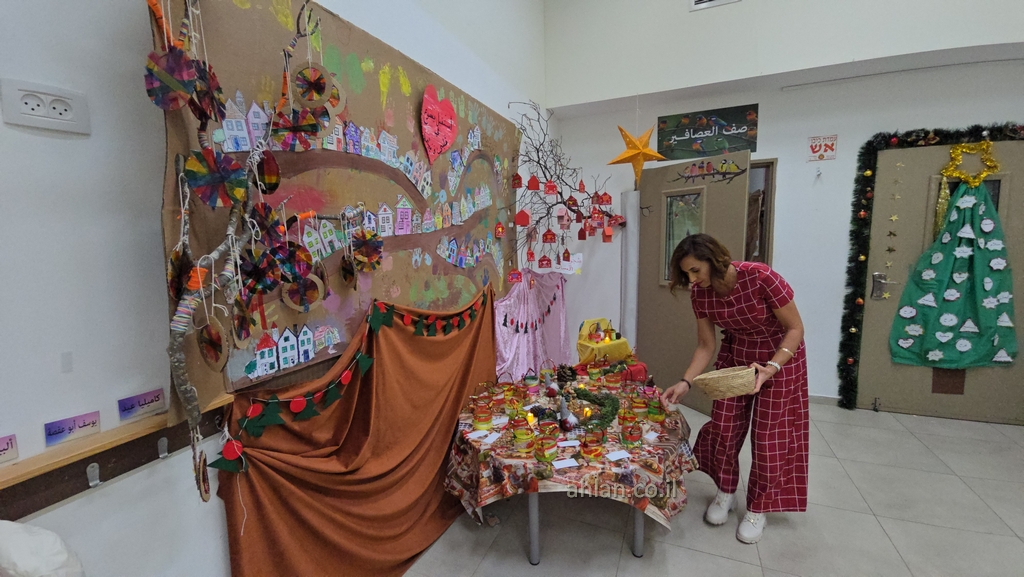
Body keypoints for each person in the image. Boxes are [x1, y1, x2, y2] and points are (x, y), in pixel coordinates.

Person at [661, 234, 808, 544]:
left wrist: (772, 367)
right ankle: (726, 491)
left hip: (779, 360)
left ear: (714, 260)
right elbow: (706, 345)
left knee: (769, 439)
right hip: (736, 359)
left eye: (696, 270)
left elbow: (795, 328)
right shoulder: (700, 294)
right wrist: (686, 381)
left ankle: (758, 508)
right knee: (724, 429)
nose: (692, 279)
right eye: (686, 274)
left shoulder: (760, 277)